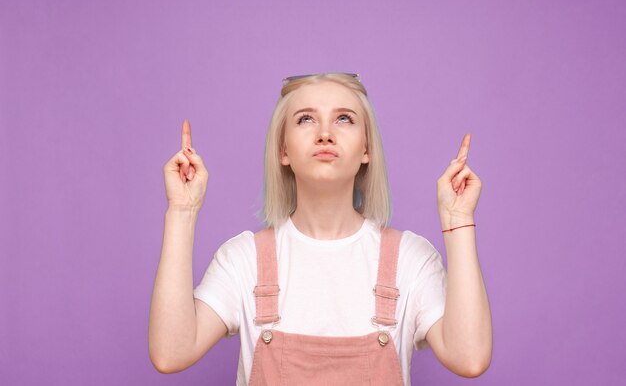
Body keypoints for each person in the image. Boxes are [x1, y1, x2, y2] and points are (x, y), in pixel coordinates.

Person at [148, 72, 492, 385]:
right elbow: (171, 353)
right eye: (306, 119)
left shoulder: (410, 260)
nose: (325, 134)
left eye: (344, 119)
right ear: (283, 150)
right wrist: (182, 210)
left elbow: (470, 358)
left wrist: (458, 220)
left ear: (366, 149)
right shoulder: (243, 260)